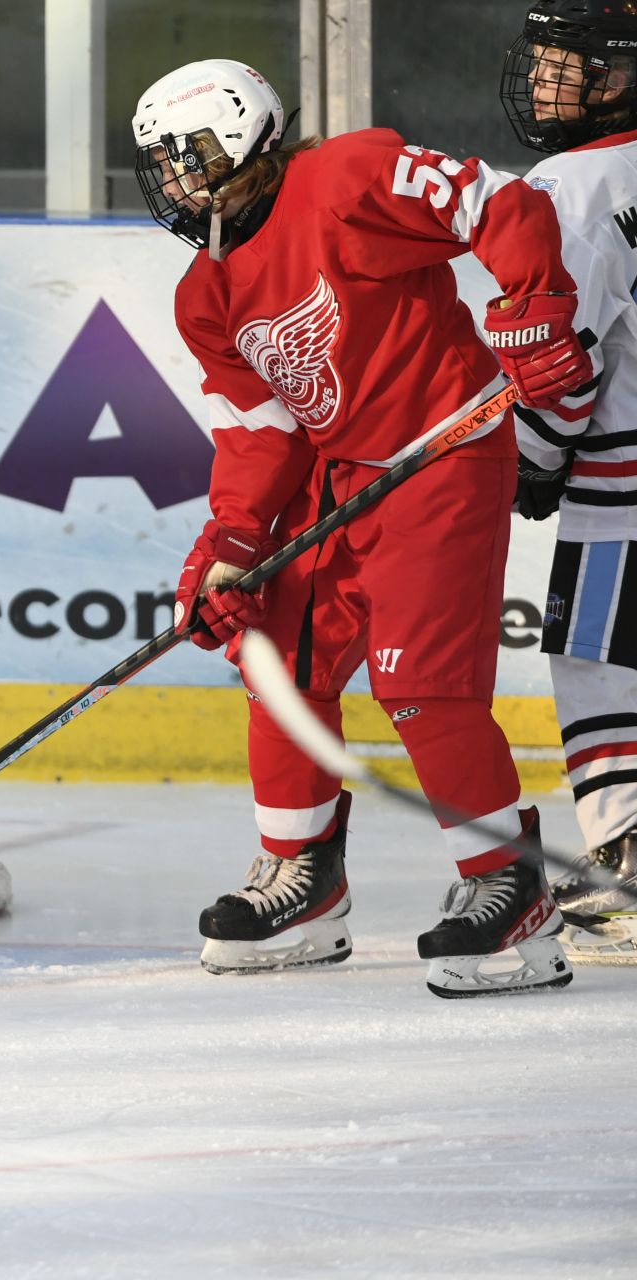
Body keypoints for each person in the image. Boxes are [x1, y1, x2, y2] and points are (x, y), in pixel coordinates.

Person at [133, 58, 594, 997]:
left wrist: (530, 305)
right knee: (276, 653)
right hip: (341, 475)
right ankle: (304, 883)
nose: (177, 181)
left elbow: (497, 206)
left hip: (444, 449)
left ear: (250, 136)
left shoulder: (343, 179)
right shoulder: (205, 294)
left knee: (421, 683)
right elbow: (261, 436)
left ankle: (509, 887)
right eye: (163, 165)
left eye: (192, 155)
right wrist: (228, 547)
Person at [498, 0, 637, 964]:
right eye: (544, 61)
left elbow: (560, 351)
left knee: (598, 662)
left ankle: (627, 870)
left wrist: (537, 455)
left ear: (621, 76)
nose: (547, 82)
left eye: (569, 65)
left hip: (622, 478)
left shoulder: (573, 182)